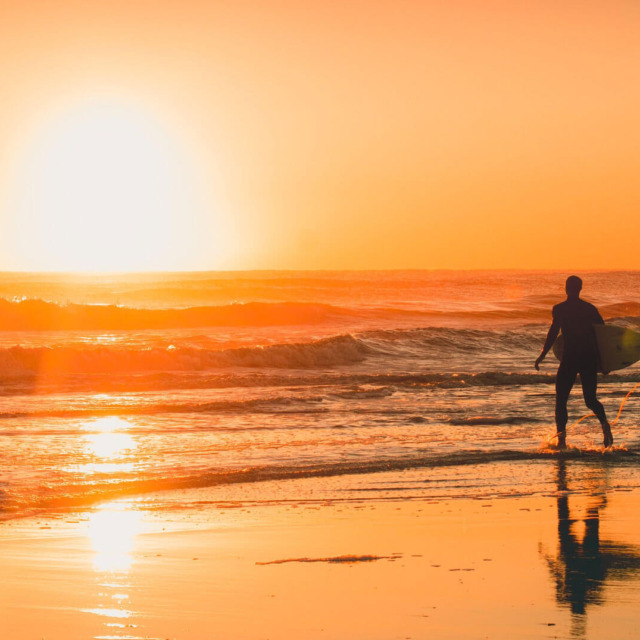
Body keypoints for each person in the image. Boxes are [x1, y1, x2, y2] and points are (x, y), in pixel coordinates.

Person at [534, 275, 613, 448]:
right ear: (580, 289)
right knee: (590, 399)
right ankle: (605, 425)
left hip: (569, 358)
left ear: (566, 288)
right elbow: (603, 335)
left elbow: (553, 333)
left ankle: (561, 440)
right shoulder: (590, 309)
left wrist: (542, 355)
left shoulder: (559, 309)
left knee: (561, 400)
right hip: (588, 358)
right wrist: (605, 362)